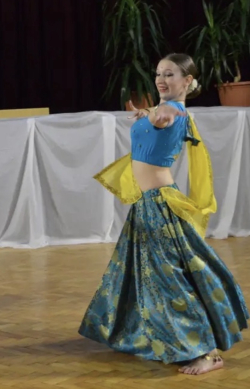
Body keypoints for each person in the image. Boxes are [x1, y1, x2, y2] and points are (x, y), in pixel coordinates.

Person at [78, 53, 248, 375]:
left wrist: (159, 114)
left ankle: (208, 353)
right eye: (159, 73)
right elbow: (156, 123)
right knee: (145, 276)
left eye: (170, 74)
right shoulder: (162, 109)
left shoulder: (174, 111)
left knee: (170, 279)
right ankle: (148, 335)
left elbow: (165, 119)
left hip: (160, 204)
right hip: (146, 204)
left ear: (187, 81)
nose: (161, 79)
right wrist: (148, 113)